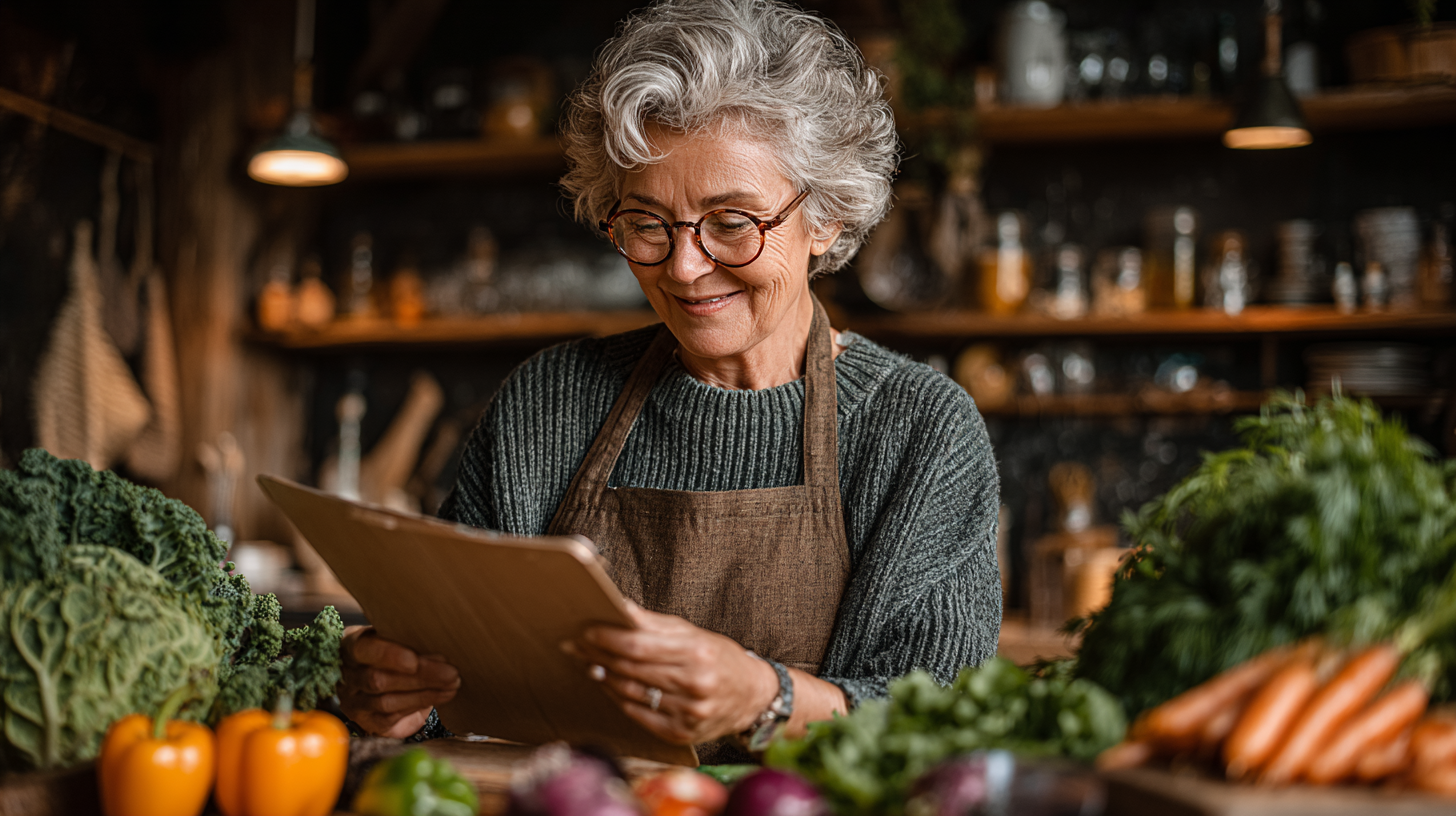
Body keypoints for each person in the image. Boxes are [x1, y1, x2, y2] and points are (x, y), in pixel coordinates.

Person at [337, 0, 1001, 760]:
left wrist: (765, 698)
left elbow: (943, 727)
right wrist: (394, 698)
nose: (684, 268)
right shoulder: (545, 404)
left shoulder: (919, 430)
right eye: (648, 223)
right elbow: (460, 683)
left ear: (827, 220)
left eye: (731, 222)